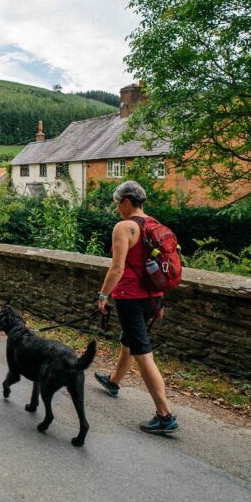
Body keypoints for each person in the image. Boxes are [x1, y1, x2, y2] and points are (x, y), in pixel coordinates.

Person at [93, 180, 178, 434]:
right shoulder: (155, 225)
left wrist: (103, 295)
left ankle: (165, 415)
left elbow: (117, 267)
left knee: (142, 352)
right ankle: (113, 382)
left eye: (118, 204)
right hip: (154, 296)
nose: (117, 209)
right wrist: (160, 301)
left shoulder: (124, 227)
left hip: (131, 297)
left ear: (127, 201)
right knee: (128, 340)